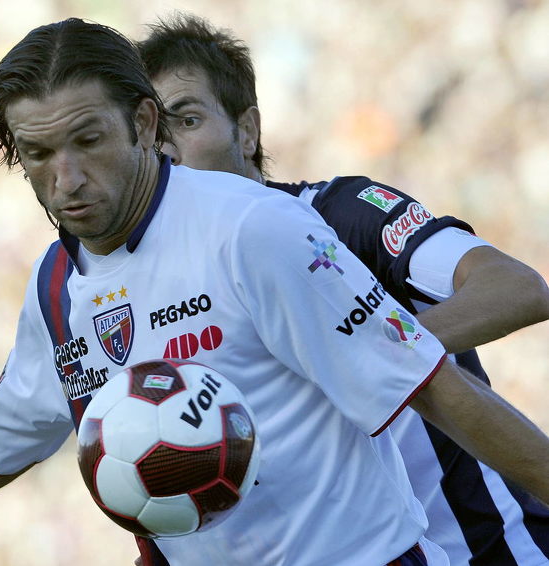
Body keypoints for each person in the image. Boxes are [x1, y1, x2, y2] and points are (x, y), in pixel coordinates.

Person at [0, 18, 549, 566]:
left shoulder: (256, 231)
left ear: (146, 125)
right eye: (37, 155)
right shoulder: (57, 286)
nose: (67, 180)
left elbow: (437, 390)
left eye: (88, 141)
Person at [137, 14, 549, 565]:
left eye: (186, 120)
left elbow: (517, 287)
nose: (169, 152)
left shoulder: (342, 216)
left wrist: (365, 351)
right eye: (150, 135)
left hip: (492, 550)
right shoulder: (153, 296)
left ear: (248, 130)